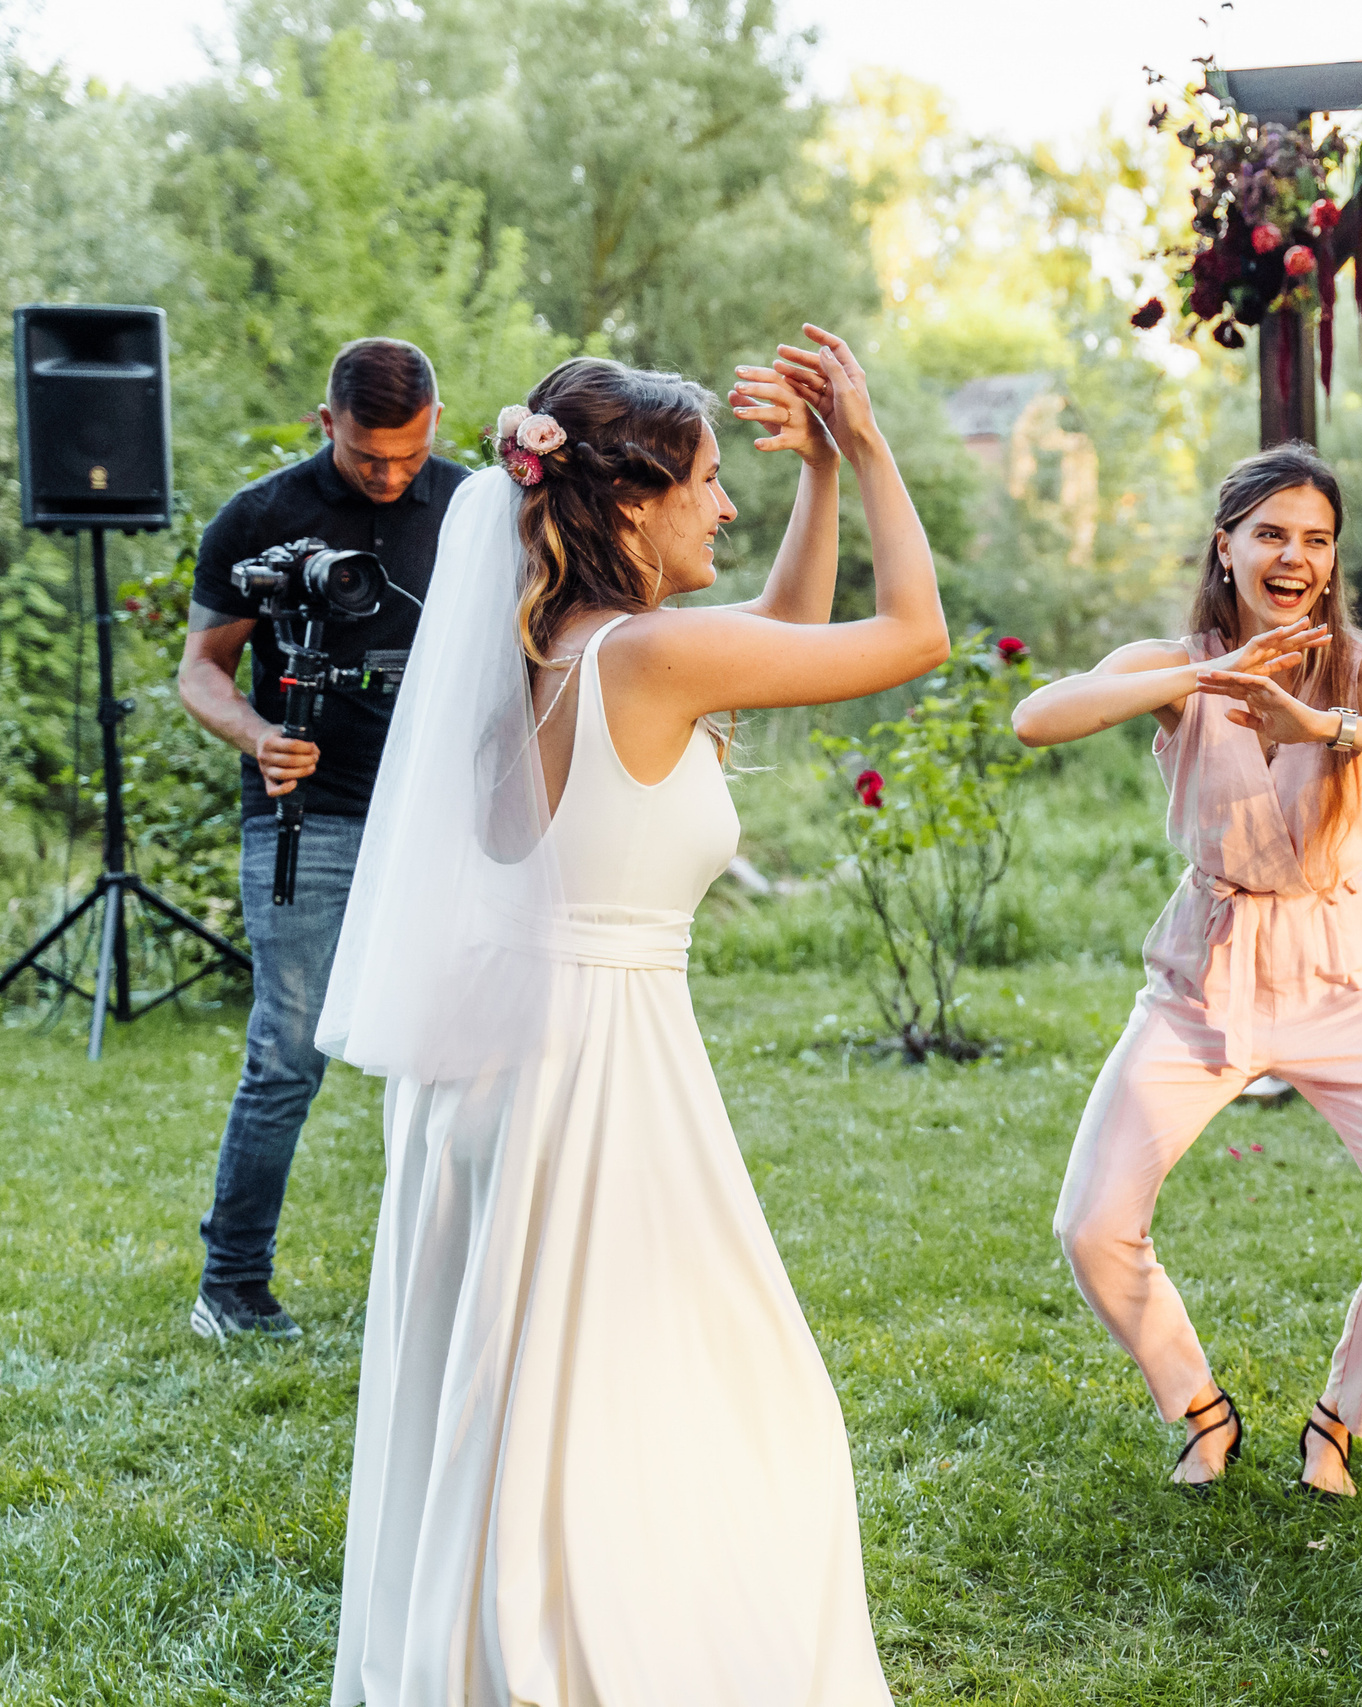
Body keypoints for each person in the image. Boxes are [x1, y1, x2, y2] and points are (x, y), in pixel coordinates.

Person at [317, 330, 944, 1703]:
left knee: (541, 1395)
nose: (728, 505)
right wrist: (877, 439)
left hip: (498, 1073)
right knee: (705, 1398)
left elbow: (772, 631)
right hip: (597, 1071)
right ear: (629, 501)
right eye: (711, 482)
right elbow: (915, 635)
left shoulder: (548, 644)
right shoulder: (651, 661)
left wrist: (820, 477)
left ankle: (495, 1647)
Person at [1013, 443, 1362, 1499]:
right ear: (1226, 544)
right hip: (1205, 976)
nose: (1295, 557)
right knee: (1091, 1224)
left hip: (1347, 980)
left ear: (1333, 560)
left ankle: (1337, 1420)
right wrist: (1206, 676)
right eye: (1272, 533)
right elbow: (1035, 718)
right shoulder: (1176, 664)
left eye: (1317, 539)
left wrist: (1325, 724)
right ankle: (1199, 1409)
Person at [179, 337, 467, 1341]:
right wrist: (261, 738)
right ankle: (233, 1286)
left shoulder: (474, 508)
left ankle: (449, 1287)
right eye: (364, 457)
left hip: (446, 824)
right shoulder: (260, 518)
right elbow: (200, 670)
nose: (390, 478)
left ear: (438, 419)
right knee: (288, 1052)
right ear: (325, 423)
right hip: (311, 818)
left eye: (408, 454)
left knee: (457, 1053)